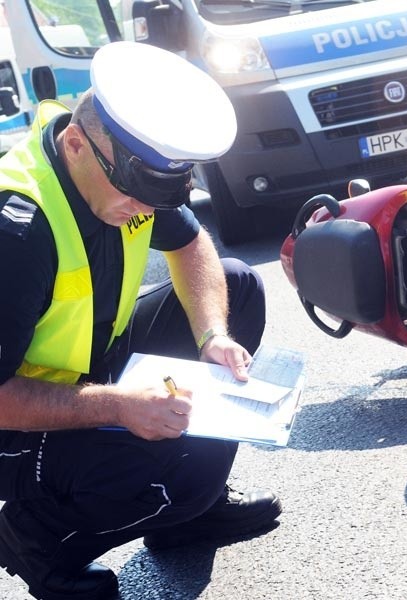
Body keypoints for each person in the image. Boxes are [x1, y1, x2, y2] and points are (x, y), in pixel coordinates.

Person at [0, 41, 281, 600]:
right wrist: (121, 406)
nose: (148, 213)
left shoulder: (120, 164)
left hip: (91, 366)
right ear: (76, 144)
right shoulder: (18, 232)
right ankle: (34, 538)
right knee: (175, 477)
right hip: (15, 423)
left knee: (239, 285)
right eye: (136, 198)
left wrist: (212, 335)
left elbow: (193, 246)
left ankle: (184, 520)